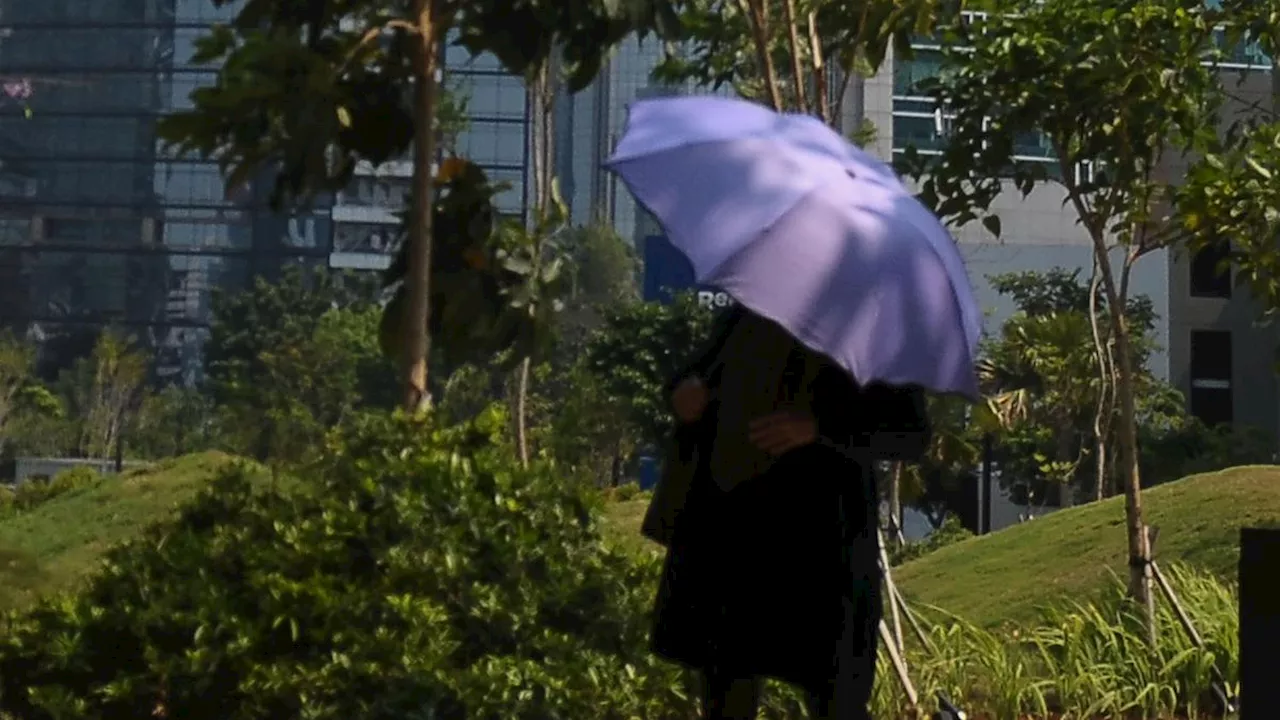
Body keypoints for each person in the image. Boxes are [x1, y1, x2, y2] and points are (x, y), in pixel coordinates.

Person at [648, 304, 931, 720]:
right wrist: (683, 394)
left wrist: (818, 427)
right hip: (734, 546)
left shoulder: (874, 328)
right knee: (726, 691)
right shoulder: (749, 312)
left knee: (836, 697)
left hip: (823, 552)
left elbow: (909, 433)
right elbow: (694, 376)